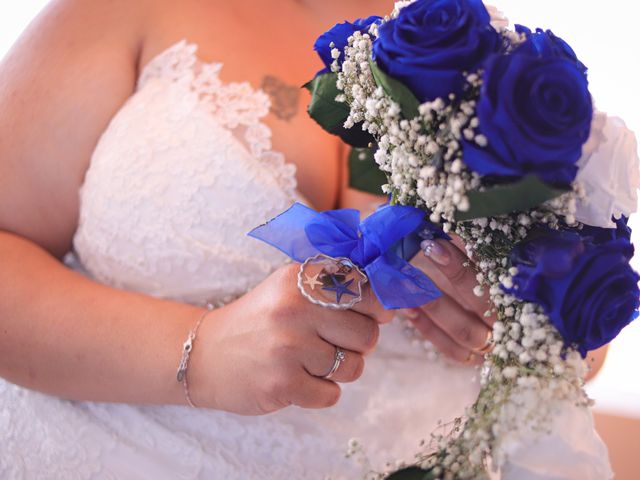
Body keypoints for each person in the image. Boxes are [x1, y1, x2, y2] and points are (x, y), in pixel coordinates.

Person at [0, 0, 606, 478]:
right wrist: (200, 352)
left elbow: (583, 340)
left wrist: (525, 330)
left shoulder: (508, 72)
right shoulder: (123, 9)